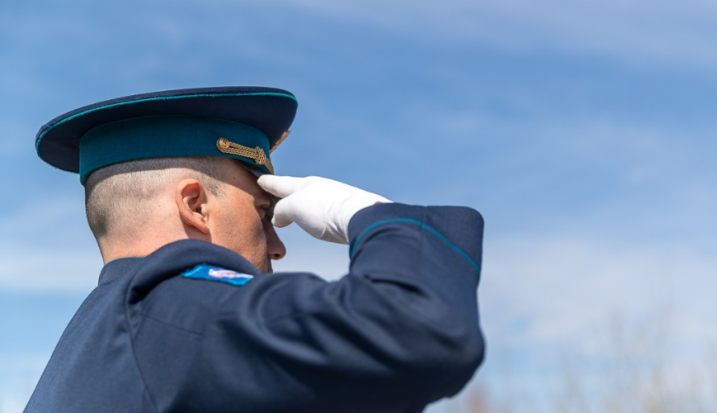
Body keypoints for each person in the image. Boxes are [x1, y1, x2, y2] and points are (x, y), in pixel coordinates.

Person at [24, 87, 485, 413]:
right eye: (263, 215)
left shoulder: (96, 344)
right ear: (196, 206)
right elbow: (419, 329)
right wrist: (385, 221)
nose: (279, 246)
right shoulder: (172, 314)